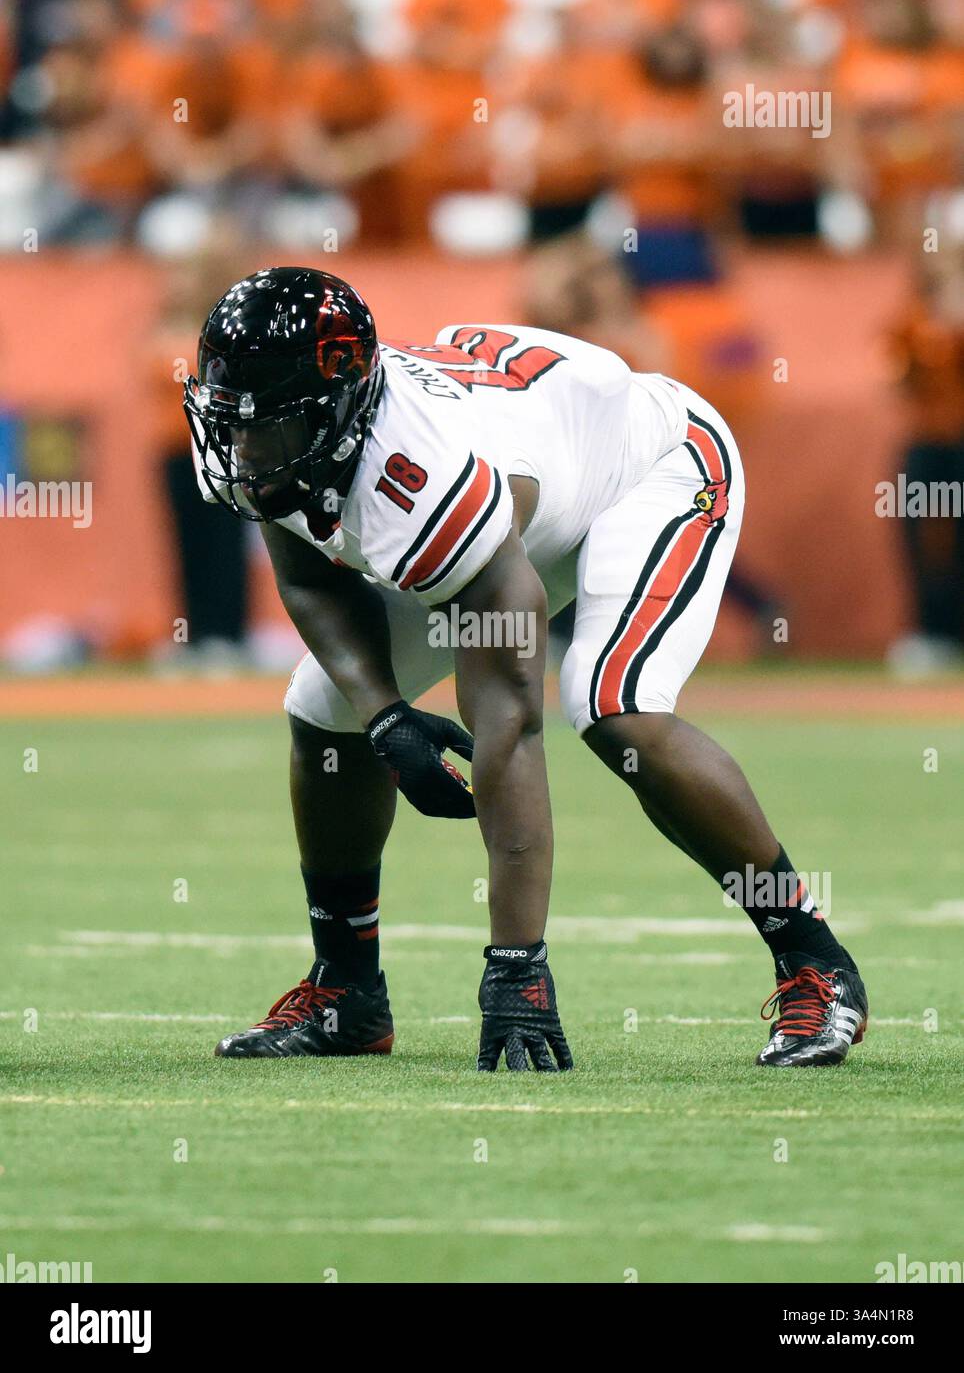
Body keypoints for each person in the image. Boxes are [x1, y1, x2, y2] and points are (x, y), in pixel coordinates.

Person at [184, 266, 868, 1070]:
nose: (243, 443)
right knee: (323, 706)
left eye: (269, 424)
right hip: (528, 485)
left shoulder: (427, 478)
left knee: (614, 704)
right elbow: (307, 580)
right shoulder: (273, 439)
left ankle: (816, 961)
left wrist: (517, 967)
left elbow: (507, 721)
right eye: (232, 419)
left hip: (650, 470)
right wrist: (384, 716)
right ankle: (347, 995)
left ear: (336, 406)